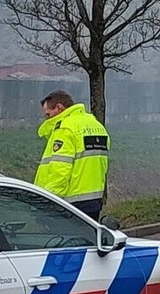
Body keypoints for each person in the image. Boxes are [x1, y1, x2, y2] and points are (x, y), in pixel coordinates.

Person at [34, 90, 110, 222]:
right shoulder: (96, 126)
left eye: (48, 114)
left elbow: (60, 170)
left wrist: (50, 202)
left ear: (59, 108)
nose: (47, 118)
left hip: (69, 204)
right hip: (94, 201)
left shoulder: (65, 128)